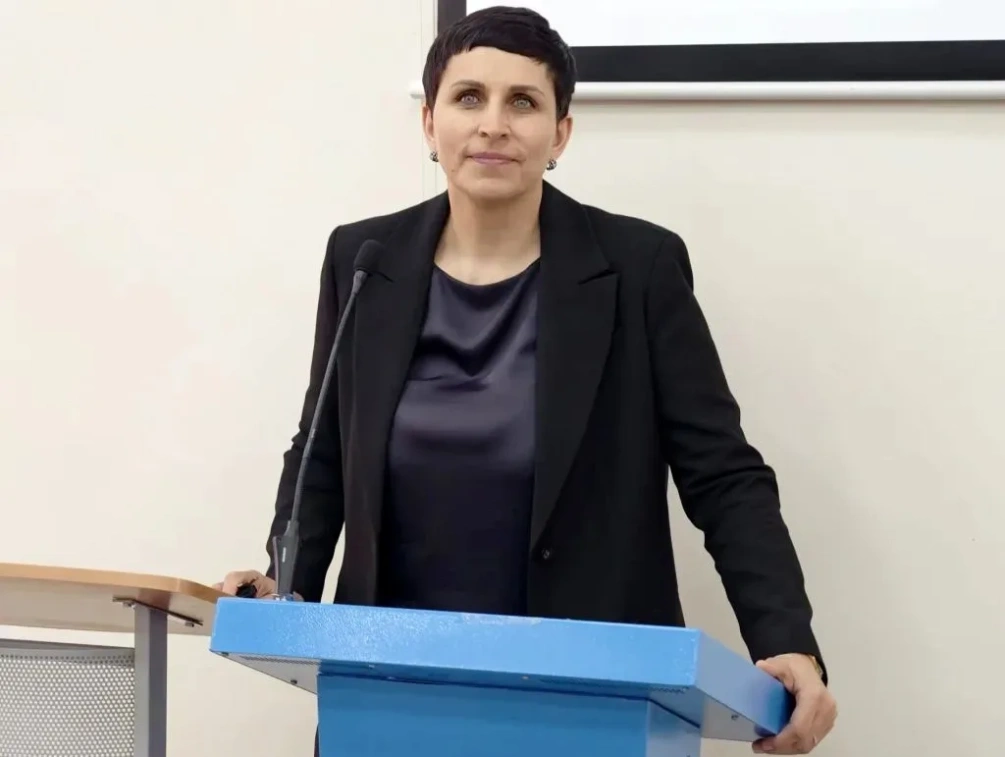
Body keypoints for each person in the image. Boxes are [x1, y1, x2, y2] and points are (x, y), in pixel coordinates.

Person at [216, 6, 837, 754]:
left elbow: (722, 472)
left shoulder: (637, 268)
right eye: (468, 97)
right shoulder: (364, 260)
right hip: (388, 685)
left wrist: (784, 637)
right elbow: (320, 450)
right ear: (430, 123)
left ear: (560, 133)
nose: (493, 125)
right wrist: (285, 586)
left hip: (591, 691)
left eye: (522, 102)